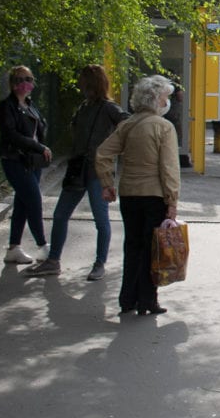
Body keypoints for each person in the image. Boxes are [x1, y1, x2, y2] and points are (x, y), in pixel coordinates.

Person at [25, 65, 127, 279]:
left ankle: (99, 264)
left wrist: (112, 152)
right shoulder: (85, 106)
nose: (79, 83)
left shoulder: (109, 108)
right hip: (78, 168)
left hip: (97, 171)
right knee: (60, 214)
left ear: (92, 83)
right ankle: (53, 261)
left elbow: (127, 125)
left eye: (82, 79)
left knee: (101, 219)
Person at [95, 75, 180, 316]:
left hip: (129, 194)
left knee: (131, 245)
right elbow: (169, 169)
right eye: (165, 97)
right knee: (151, 249)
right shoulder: (164, 127)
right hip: (154, 196)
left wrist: (107, 183)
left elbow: (102, 153)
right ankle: (147, 300)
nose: (167, 102)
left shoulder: (128, 124)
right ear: (155, 99)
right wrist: (172, 201)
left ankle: (127, 299)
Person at [0, 65, 51, 264]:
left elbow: (40, 129)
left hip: (32, 161)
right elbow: (11, 135)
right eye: (19, 80)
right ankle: (43, 246)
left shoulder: (31, 105)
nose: (24, 83)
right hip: (15, 160)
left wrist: (39, 149)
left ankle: (14, 248)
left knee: (23, 203)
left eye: (28, 79)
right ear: (12, 83)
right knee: (34, 201)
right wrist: (38, 146)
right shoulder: (6, 107)